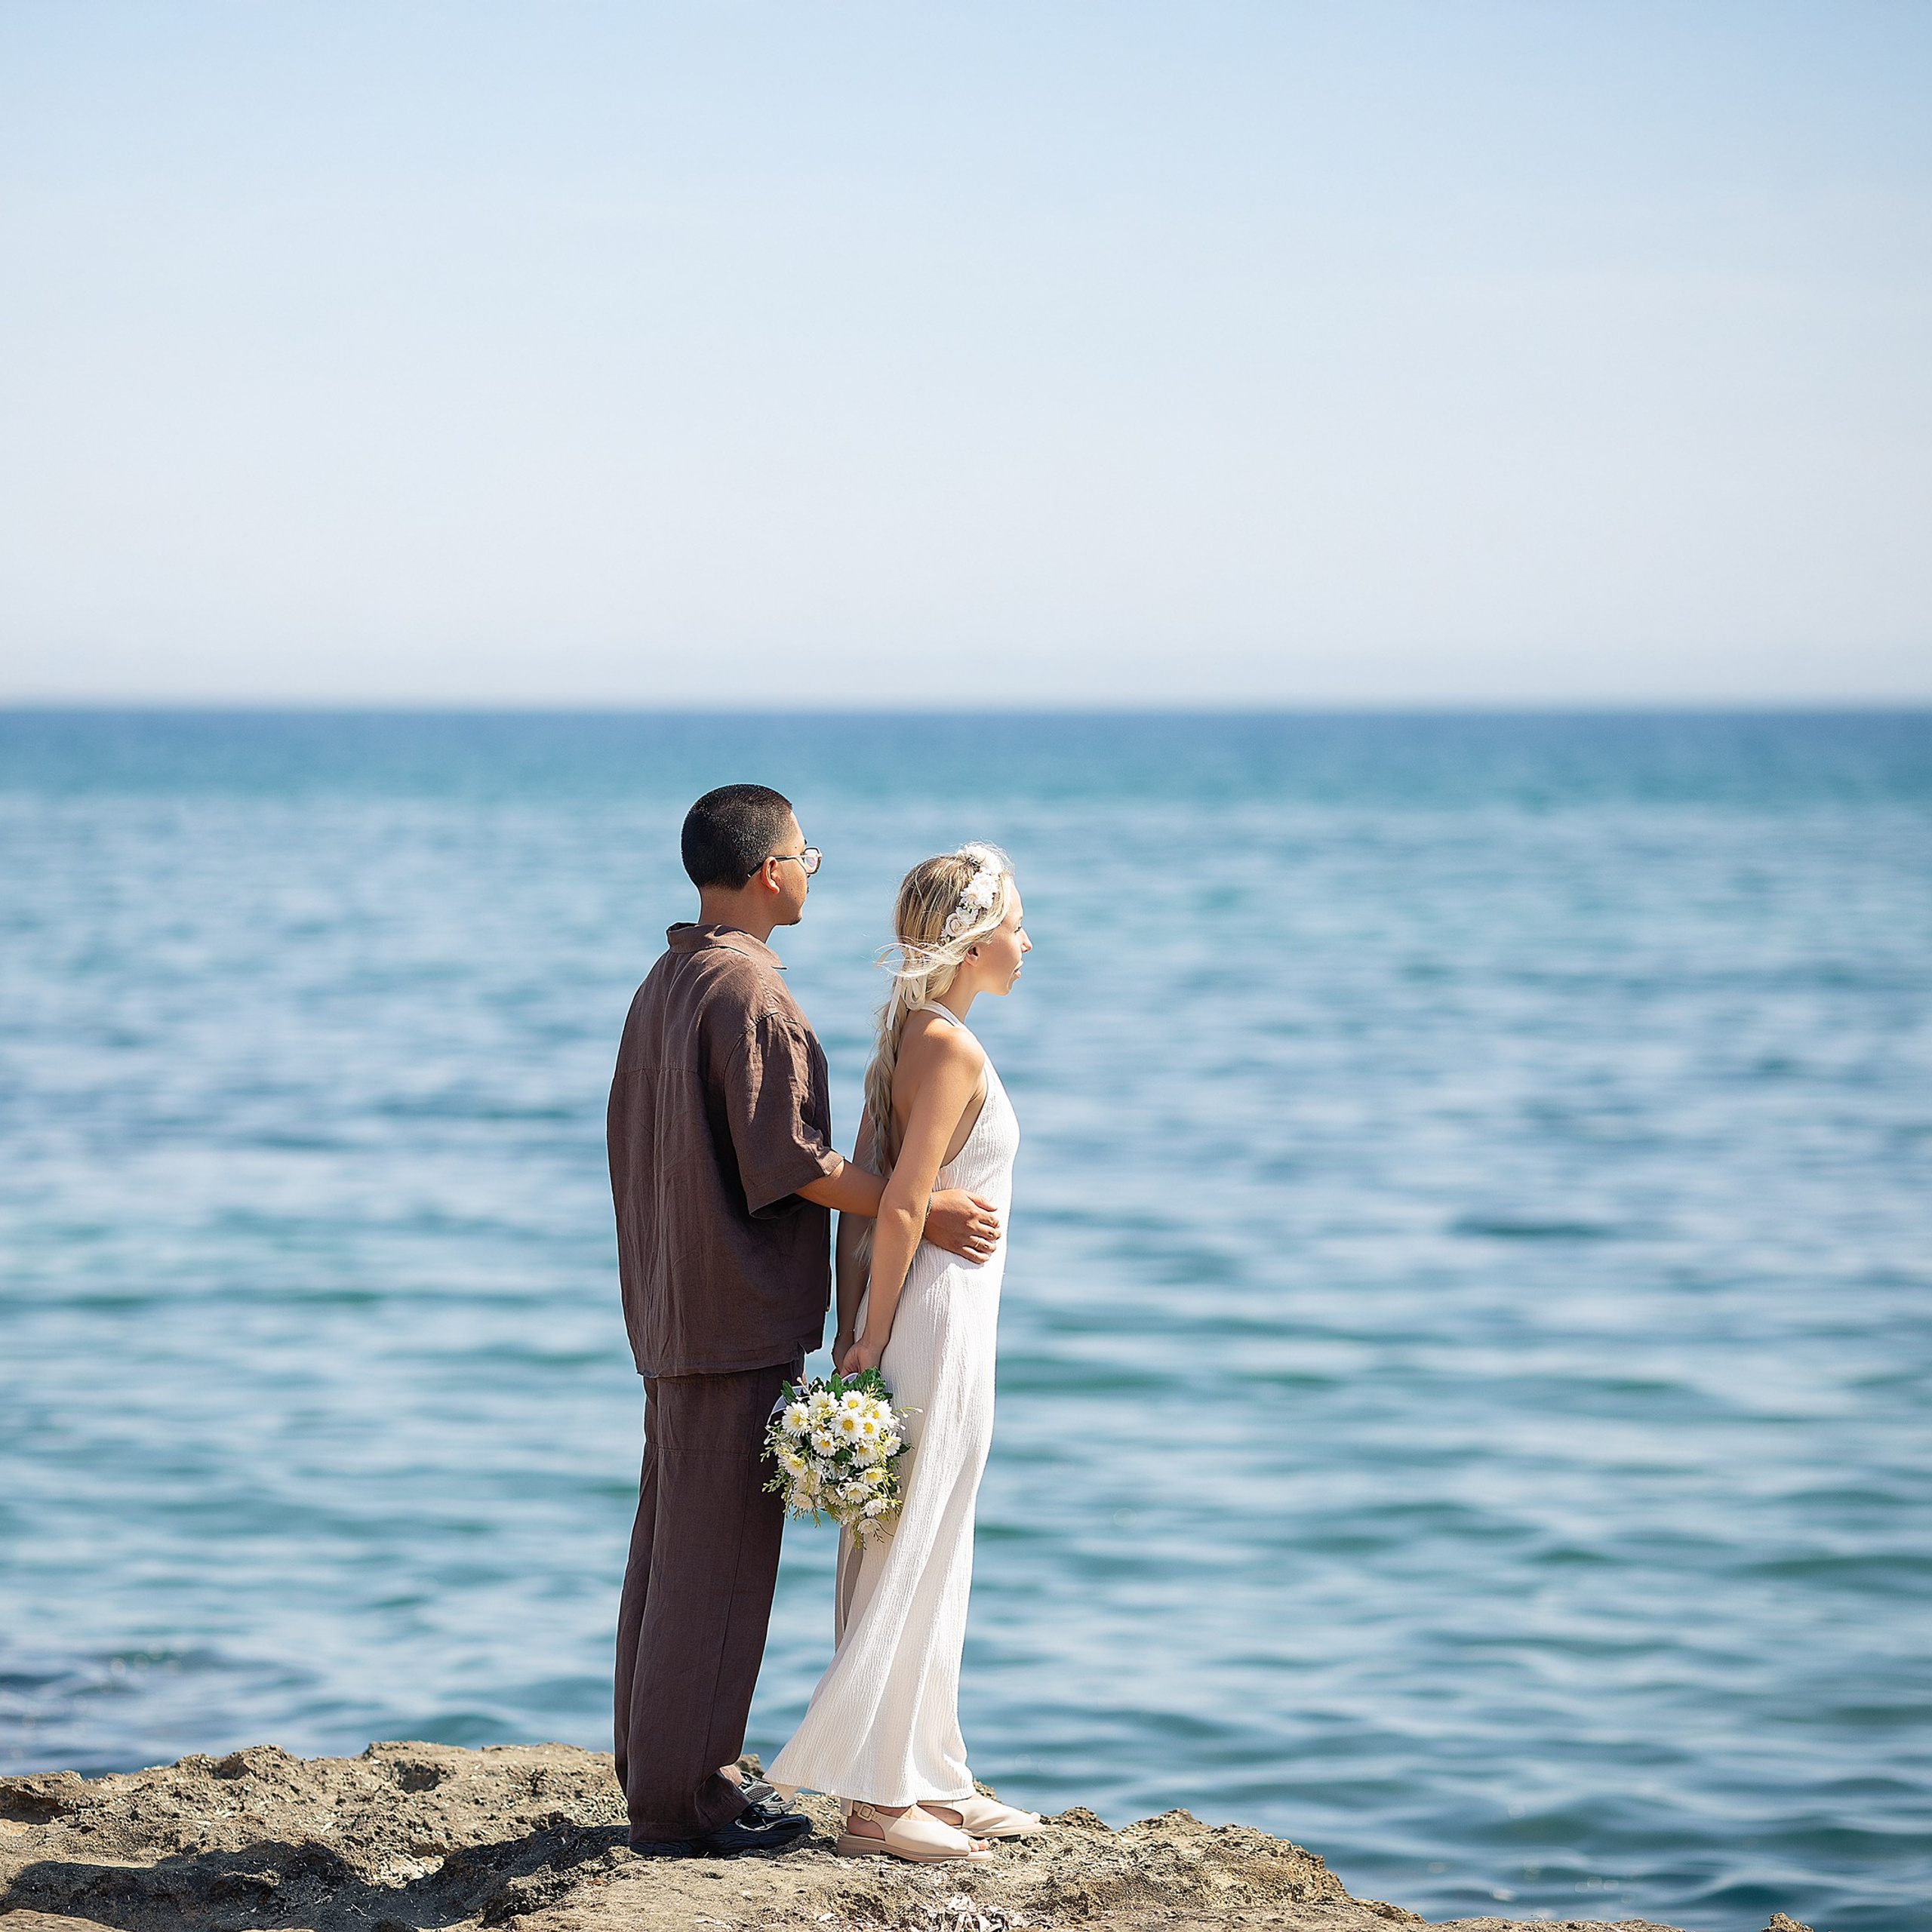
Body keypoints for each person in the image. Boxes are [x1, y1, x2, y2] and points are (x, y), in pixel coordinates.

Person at [608, 786, 1002, 1859]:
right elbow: (788, 1160)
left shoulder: (671, 977)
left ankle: (659, 1778)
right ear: (769, 872)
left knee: (670, 1550)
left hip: (672, 1302)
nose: (810, 872)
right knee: (718, 1565)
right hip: (731, 1313)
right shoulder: (748, 990)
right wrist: (919, 1203)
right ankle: (688, 1804)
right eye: (803, 856)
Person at [768, 844, 1044, 1865]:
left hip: (952, 1317)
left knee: (934, 1545)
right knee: (910, 1546)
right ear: (974, 940)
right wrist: (870, 1341)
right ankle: (875, 1808)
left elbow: (891, 1200)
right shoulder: (946, 1045)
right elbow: (895, 1203)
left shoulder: (920, 1033)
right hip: (935, 1323)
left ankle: (931, 1773)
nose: (1027, 941)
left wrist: (863, 1323)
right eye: (1015, 923)